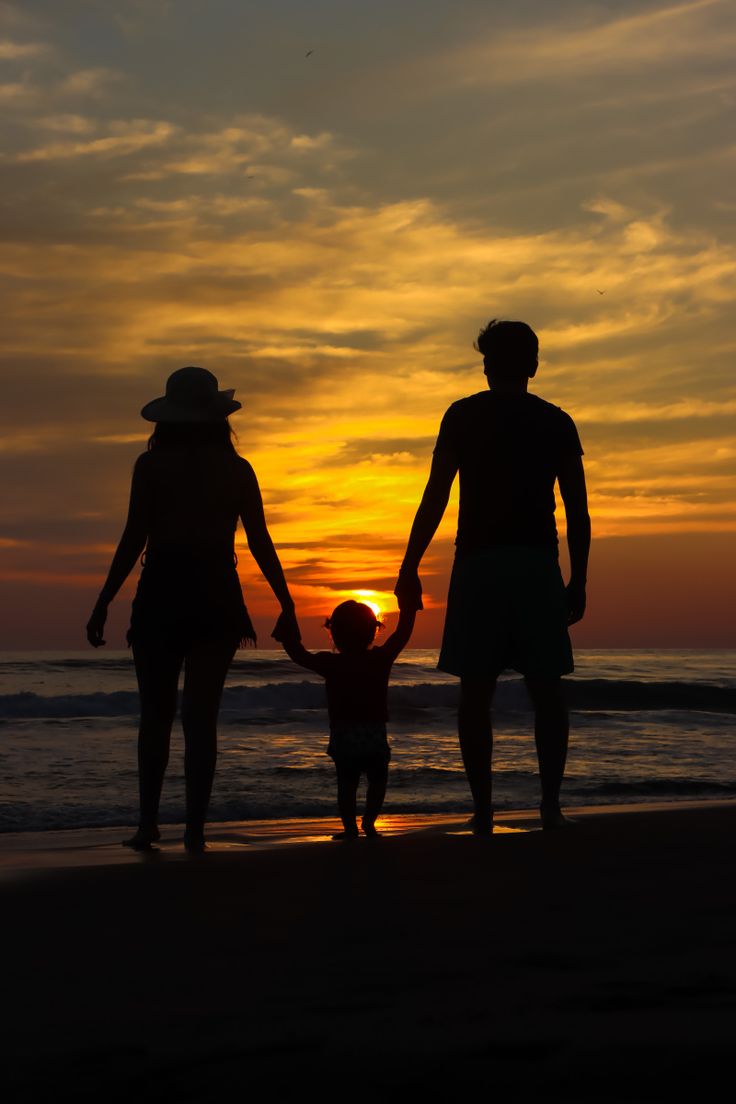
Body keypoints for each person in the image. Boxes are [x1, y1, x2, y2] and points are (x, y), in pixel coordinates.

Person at [86, 366, 297, 851]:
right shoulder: (237, 470)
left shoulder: (150, 466)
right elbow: (261, 541)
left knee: (155, 715)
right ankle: (195, 829)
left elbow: (132, 537)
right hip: (216, 593)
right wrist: (285, 602)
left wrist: (103, 602)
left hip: (162, 589)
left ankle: (147, 825)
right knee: (202, 719)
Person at [394, 319, 590, 833]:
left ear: (487, 365)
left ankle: (483, 810)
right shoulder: (556, 421)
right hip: (535, 564)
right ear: (533, 364)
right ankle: (549, 806)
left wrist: (409, 565)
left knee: (475, 692)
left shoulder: (462, 416)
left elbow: (435, 495)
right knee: (547, 690)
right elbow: (578, 509)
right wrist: (580, 577)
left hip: (479, 563)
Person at [276, 599, 416, 839]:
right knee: (378, 780)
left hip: (344, 733)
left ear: (334, 633)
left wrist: (286, 632)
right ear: (373, 631)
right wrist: (409, 608)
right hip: (374, 733)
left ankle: (350, 828)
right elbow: (402, 634)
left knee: (347, 784)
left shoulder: (332, 663)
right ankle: (369, 824)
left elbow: (300, 655)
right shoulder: (379, 660)